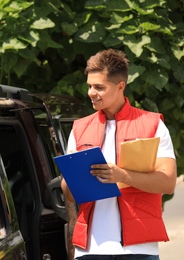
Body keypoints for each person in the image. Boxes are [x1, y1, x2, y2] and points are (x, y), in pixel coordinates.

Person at [61, 49, 177, 260]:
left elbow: (167, 183)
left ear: (120, 86)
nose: (91, 93)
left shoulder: (153, 124)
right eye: (89, 86)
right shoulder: (79, 128)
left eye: (99, 87)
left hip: (139, 249)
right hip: (90, 250)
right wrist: (70, 179)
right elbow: (69, 194)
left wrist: (122, 176)